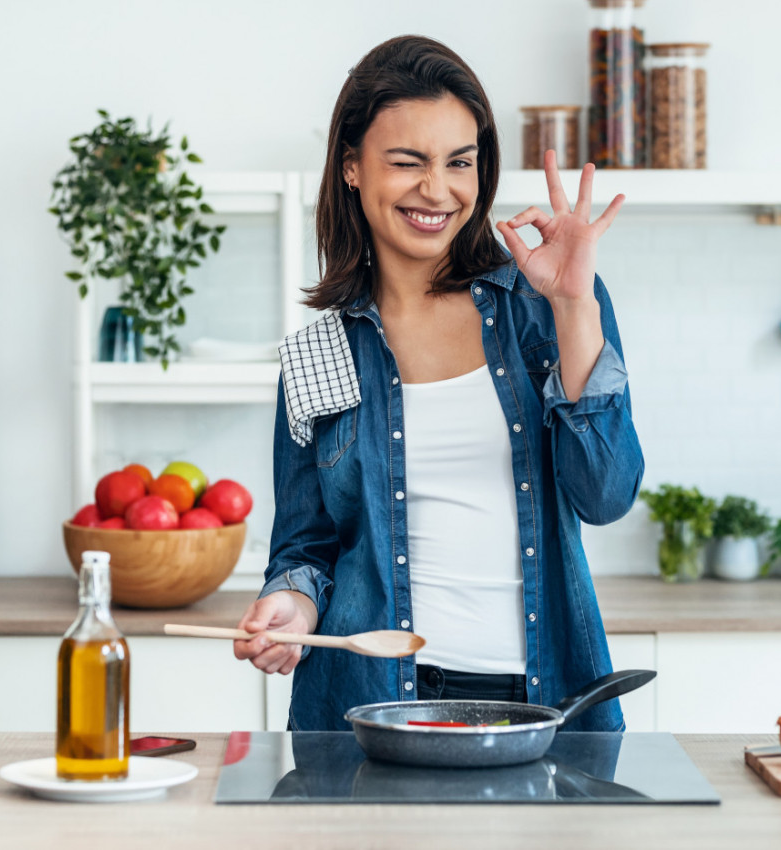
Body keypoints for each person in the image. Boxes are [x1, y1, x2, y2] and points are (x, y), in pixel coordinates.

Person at [233, 34, 644, 733]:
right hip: (368, 703)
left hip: (541, 701)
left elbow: (604, 495)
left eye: (460, 162)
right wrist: (291, 607)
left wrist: (575, 306)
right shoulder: (319, 348)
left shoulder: (545, 308)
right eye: (407, 162)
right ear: (352, 169)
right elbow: (308, 545)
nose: (438, 189)